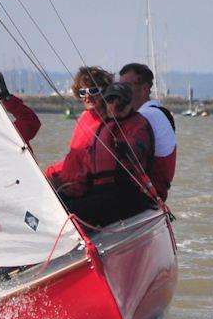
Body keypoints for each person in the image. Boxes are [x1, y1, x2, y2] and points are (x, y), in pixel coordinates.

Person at [59, 83, 156, 227]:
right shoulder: (103, 128)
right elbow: (87, 170)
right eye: (110, 100)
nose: (114, 104)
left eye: (119, 100)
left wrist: (126, 149)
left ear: (129, 103)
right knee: (60, 205)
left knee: (74, 210)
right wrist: (67, 193)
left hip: (127, 194)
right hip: (101, 193)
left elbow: (138, 147)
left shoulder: (138, 125)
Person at [45, 66, 113, 192]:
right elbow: (74, 156)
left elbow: (97, 166)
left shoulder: (109, 123)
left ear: (105, 91)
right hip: (65, 179)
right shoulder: (84, 117)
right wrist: (51, 173)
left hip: (79, 187)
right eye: (83, 92)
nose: (87, 96)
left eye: (93, 90)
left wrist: (68, 186)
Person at [118, 63, 177, 201]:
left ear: (144, 88)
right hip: (154, 192)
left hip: (146, 194)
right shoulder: (159, 112)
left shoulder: (146, 116)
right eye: (119, 87)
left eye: (127, 87)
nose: (121, 92)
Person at [0, 71, 40, 149]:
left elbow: (31, 122)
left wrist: (6, 99)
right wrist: (6, 98)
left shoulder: (1, 133)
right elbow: (31, 122)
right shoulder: (7, 134)